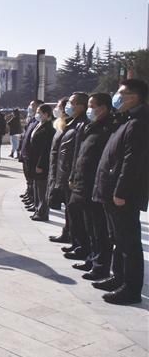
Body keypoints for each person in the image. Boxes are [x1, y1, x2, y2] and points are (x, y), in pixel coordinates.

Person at [92, 79, 149, 305]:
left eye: (121, 93)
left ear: (134, 96)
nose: (117, 97)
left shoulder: (140, 122)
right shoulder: (127, 119)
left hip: (122, 195)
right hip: (112, 191)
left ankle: (131, 289)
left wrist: (121, 191)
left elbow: (132, 161)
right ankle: (118, 278)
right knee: (118, 239)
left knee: (129, 243)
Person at [68, 93, 113, 282]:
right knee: (89, 226)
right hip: (83, 184)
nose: (89, 109)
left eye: (92, 105)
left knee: (99, 229)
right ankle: (91, 258)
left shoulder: (109, 128)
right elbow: (81, 155)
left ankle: (101, 266)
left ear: (103, 108)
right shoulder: (91, 126)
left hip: (96, 186)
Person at [51, 94, 89, 245]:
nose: (68, 106)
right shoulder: (72, 123)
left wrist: (72, 175)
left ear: (81, 106)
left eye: (71, 103)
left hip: (72, 175)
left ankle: (79, 244)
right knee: (69, 210)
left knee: (77, 213)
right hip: (66, 172)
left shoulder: (83, 124)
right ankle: (72, 237)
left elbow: (77, 153)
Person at [28, 104, 55, 221]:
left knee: (42, 189)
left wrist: (40, 165)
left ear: (46, 114)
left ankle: (43, 212)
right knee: (37, 186)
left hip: (41, 164)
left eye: (39, 112)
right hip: (34, 161)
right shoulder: (40, 125)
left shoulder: (49, 129)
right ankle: (37, 209)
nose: (37, 114)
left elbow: (45, 150)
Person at [19, 99, 44, 206]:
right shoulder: (32, 120)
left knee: (34, 179)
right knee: (28, 176)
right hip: (26, 153)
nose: (30, 107)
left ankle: (34, 199)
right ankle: (29, 194)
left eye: (33, 105)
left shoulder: (41, 123)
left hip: (33, 155)